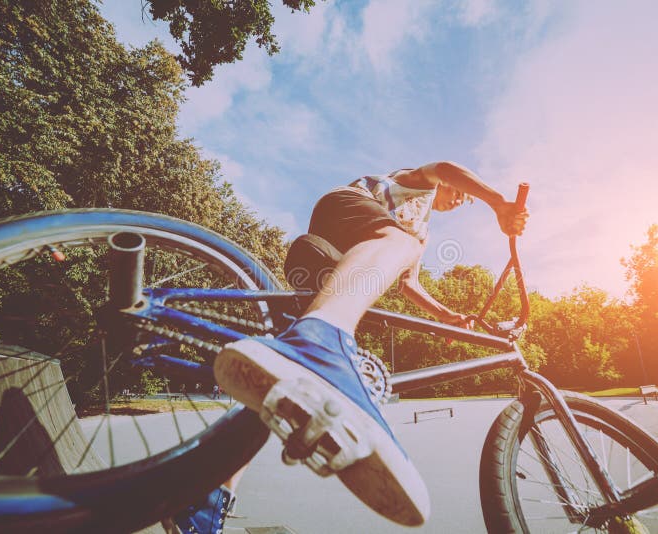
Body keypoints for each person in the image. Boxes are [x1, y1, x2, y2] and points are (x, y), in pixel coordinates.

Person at [177, 162, 527, 532]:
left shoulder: (419, 233)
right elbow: (443, 168)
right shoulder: (416, 187)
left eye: (465, 200)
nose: (459, 200)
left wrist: (447, 316)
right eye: (460, 193)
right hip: (340, 212)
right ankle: (321, 337)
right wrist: (498, 202)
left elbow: (409, 284)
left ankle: (206, 496)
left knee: (286, 387)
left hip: (334, 269)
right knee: (399, 244)